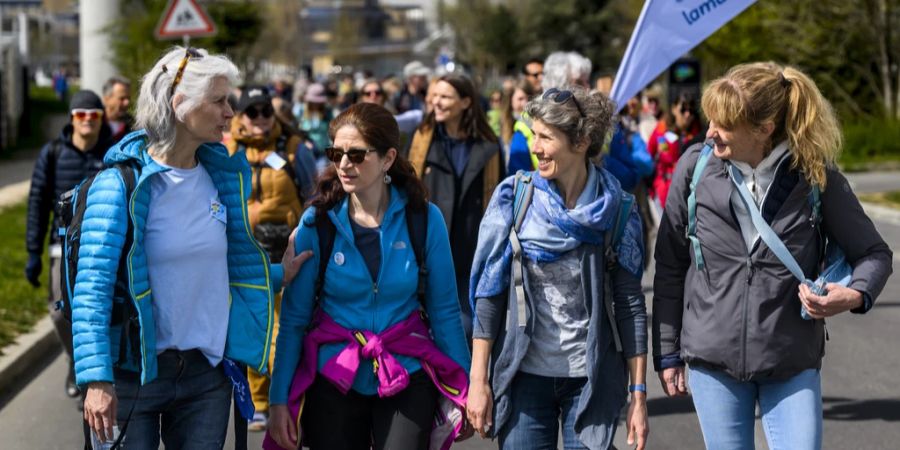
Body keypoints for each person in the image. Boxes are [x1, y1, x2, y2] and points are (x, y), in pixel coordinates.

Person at [73, 47, 308, 448]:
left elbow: (217, 270)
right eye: (218, 101)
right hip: (134, 375)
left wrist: (277, 274)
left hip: (205, 376)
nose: (230, 113)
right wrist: (97, 378)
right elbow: (92, 289)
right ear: (178, 103)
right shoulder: (119, 186)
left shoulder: (220, 176)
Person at [653, 62, 893, 449]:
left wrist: (854, 294)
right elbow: (670, 266)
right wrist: (666, 352)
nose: (709, 131)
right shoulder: (694, 169)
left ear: (763, 129)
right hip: (712, 360)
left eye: (723, 123)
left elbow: (874, 253)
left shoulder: (815, 177)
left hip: (790, 359)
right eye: (709, 119)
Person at [267, 103, 471, 450]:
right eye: (335, 153)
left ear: (388, 158)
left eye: (357, 155)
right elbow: (294, 320)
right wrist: (278, 400)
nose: (344, 164)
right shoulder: (316, 224)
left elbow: (446, 312)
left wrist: (464, 390)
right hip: (333, 376)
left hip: (407, 370)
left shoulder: (425, 220)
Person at [467, 86, 649, 450]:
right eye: (534, 135)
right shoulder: (514, 200)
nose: (535, 147)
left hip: (590, 379)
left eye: (546, 137)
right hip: (524, 377)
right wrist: (478, 380)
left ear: (581, 142)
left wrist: (638, 396)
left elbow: (630, 307)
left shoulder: (618, 211)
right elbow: (490, 294)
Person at [226, 85, 308, 432]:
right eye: (252, 112)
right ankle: (259, 401)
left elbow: (313, 192)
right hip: (243, 250)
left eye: (265, 111)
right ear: (240, 116)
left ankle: (283, 397)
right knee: (252, 325)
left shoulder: (293, 148)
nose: (259, 118)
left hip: (286, 247)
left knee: (283, 326)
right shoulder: (224, 149)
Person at [25, 89, 113, 400]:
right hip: (60, 246)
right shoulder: (52, 153)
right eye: (81, 115)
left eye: (94, 115)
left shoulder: (113, 153)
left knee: (103, 309)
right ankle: (76, 361)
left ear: (102, 118)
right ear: (72, 118)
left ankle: (101, 368)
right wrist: (33, 252)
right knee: (59, 311)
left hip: (102, 245)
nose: (87, 121)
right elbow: (37, 201)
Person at [406, 73, 504, 341]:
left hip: (470, 254)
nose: (436, 102)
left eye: (445, 97)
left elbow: (499, 202)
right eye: (434, 96)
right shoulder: (420, 141)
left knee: (467, 329)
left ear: (465, 102)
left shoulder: (489, 146)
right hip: (425, 251)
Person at [646, 93, 702, 211]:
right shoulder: (661, 130)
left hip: (690, 196)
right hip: (664, 193)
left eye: (691, 110)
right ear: (674, 109)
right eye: (683, 109)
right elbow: (648, 156)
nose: (687, 114)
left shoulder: (699, 135)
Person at [499, 80, 537, 173]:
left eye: (529, 98)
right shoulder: (505, 124)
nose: (525, 103)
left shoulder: (528, 124)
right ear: (510, 101)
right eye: (520, 99)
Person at [300, 83, 332, 169]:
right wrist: (304, 141)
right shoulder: (301, 111)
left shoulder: (327, 112)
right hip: (307, 151)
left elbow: (331, 131)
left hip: (322, 151)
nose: (316, 104)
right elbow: (297, 131)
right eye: (314, 101)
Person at [102, 76, 133, 143]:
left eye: (128, 98)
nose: (127, 103)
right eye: (122, 98)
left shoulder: (133, 126)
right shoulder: (95, 124)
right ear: (106, 99)